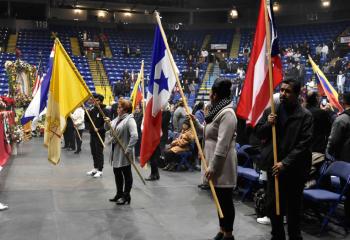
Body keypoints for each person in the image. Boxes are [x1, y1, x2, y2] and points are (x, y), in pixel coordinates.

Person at [255, 78, 313, 240]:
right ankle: (277, 235)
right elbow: (259, 133)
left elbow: (304, 144)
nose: (283, 94)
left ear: (296, 94)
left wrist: (285, 163)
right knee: (273, 207)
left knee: (294, 208)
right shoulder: (272, 111)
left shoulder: (305, 116)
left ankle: (295, 236)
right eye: (281, 90)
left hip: (295, 170)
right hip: (274, 169)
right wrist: (268, 124)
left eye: (287, 91)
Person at [192, 78, 237, 240]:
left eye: (211, 92)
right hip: (213, 161)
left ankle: (229, 234)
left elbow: (222, 144)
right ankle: (222, 229)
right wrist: (196, 124)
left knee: (225, 200)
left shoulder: (228, 114)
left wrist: (213, 167)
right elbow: (209, 132)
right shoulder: (217, 111)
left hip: (222, 164)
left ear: (216, 95)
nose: (210, 95)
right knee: (218, 198)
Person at [104, 99, 138, 205]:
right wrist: (107, 123)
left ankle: (126, 195)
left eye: (119, 107)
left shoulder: (129, 120)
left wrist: (128, 149)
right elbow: (109, 130)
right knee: (117, 173)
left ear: (125, 109)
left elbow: (135, 136)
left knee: (126, 174)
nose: (117, 109)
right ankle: (119, 193)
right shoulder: (118, 119)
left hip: (124, 151)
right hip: (116, 151)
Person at [326, 92, 350, 226]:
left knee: (347, 189)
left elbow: (333, 140)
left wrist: (329, 153)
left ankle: (347, 219)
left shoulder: (342, 119)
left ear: (344, 102)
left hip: (345, 159)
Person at [85, 94, 109, 178]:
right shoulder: (93, 110)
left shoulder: (105, 111)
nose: (94, 101)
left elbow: (107, 124)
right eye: (94, 100)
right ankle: (95, 168)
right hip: (93, 134)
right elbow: (87, 120)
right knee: (93, 152)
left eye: (97, 100)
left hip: (100, 134)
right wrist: (86, 112)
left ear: (100, 101)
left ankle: (100, 170)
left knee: (99, 152)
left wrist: (99, 129)